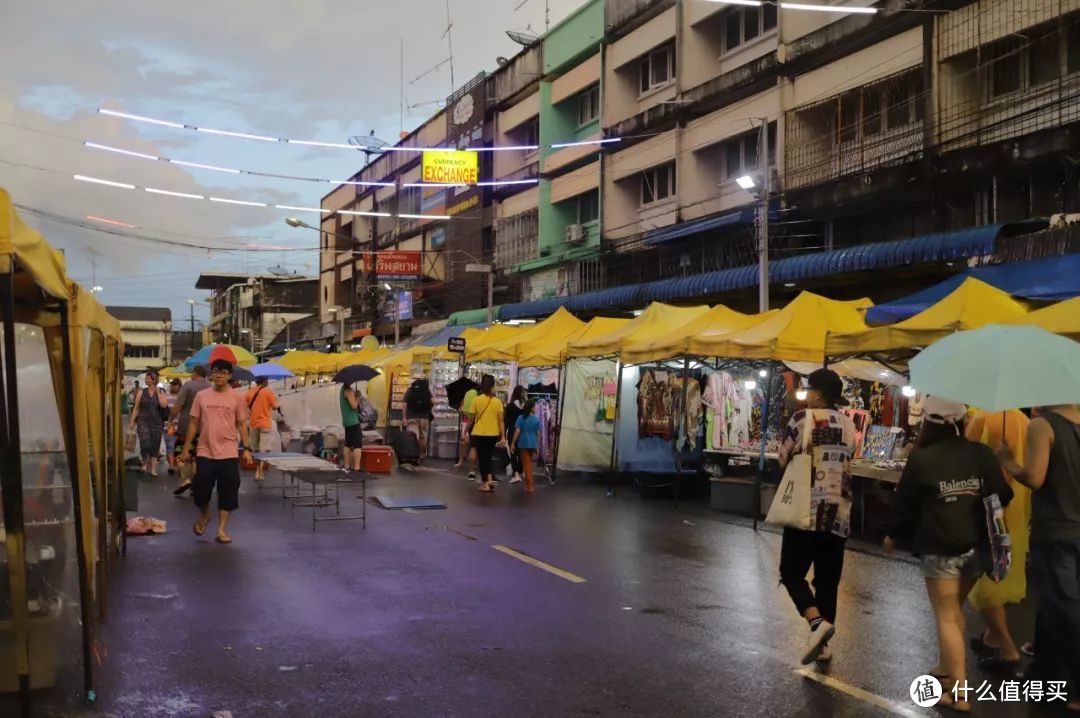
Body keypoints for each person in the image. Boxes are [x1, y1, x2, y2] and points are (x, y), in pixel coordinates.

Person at [884, 397, 1012, 712]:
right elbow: (1003, 495)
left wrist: (892, 536)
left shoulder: (922, 459)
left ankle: (960, 694)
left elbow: (904, 507)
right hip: (976, 549)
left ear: (928, 422)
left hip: (939, 548)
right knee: (953, 613)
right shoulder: (981, 454)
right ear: (963, 420)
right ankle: (945, 669)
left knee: (947, 618)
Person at [996, 404, 1080, 712]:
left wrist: (1008, 461)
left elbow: (1035, 477)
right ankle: (1044, 678)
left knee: (1065, 609)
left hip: (1056, 531)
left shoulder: (1043, 426)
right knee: (1052, 606)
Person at [776, 368, 857, 666]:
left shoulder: (801, 419)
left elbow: (782, 457)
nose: (806, 394)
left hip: (807, 510)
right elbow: (850, 455)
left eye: (809, 389)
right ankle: (822, 646)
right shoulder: (849, 425)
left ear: (819, 394)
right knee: (827, 581)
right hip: (839, 513)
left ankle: (815, 623)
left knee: (791, 572)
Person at [965, 409, 1032, 673]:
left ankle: (1007, 649)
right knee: (1002, 571)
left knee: (988, 580)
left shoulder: (982, 418)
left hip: (990, 508)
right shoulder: (1027, 423)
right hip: (1018, 508)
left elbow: (965, 457)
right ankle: (991, 638)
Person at [178, 356, 252, 545]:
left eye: (222, 372)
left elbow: (242, 424)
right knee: (200, 489)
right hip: (205, 451)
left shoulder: (238, 397)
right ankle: (205, 516)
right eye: (215, 371)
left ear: (230, 376)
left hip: (228, 451)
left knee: (228, 491)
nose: (218, 375)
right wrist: (186, 450)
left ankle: (221, 530)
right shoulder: (202, 396)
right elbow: (194, 423)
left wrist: (247, 448)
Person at [170, 366, 211, 496]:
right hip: (205, 426)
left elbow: (178, 406)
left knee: (179, 453)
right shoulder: (211, 387)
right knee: (195, 455)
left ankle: (185, 480)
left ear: (195, 373)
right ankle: (195, 482)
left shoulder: (188, 386)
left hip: (186, 424)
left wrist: (170, 419)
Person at [129, 370, 168, 476]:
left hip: (157, 421)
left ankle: (153, 468)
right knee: (145, 442)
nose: (146, 380)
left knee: (155, 444)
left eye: (148, 378)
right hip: (143, 421)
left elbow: (164, 405)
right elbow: (136, 408)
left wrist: (159, 394)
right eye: (145, 378)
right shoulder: (141, 392)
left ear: (154, 380)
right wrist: (132, 421)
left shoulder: (160, 391)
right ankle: (146, 461)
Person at [470, 375, 505, 493]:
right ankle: (489, 481)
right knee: (488, 457)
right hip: (493, 434)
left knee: (483, 460)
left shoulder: (477, 399)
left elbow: (471, 418)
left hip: (479, 433)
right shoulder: (497, 401)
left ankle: (485, 484)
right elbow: (501, 420)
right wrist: (503, 436)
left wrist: (465, 431)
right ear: (492, 386)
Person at [245, 376, 280, 482]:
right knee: (263, 449)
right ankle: (259, 471)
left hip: (253, 423)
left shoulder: (249, 392)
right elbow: (275, 406)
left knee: (255, 449)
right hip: (265, 423)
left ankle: (258, 470)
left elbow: (244, 407)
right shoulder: (268, 392)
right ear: (265, 382)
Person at [510, 399, 541, 493]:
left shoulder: (520, 418)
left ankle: (530, 485)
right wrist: (538, 446)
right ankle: (528, 485)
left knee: (526, 466)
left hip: (523, 444)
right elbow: (538, 434)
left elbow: (517, 431)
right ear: (532, 408)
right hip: (533, 444)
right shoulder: (536, 418)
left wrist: (512, 443)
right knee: (529, 464)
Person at [403, 378, 434, 460]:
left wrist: (404, 417)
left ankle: (412, 454)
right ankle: (421, 455)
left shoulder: (410, 391)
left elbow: (404, 404)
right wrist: (428, 409)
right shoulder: (427, 391)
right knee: (422, 437)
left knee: (412, 437)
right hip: (424, 417)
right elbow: (433, 402)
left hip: (412, 417)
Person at [455, 384, 480, 479]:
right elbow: (462, 407)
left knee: (469, 443)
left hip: (469, 421)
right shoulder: (468, 396)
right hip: (467, 421)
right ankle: (462, 461)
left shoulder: (472, 396)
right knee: (467, 443)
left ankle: (468, 462)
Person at [504, 386, 527, 485]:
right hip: (523, 431)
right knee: (521, 452)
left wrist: (503, 434)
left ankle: (516, 474)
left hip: (512, 431)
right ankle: (521, 471)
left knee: (513, 452)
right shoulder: (526, 406)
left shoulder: (509, 406)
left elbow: (506, 421)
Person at [340, 383, 363, 471]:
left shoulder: (342, 389)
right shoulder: (348, 391)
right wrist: (357, 397)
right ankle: (356, 468)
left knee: (348, 444)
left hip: (347, 421)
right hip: (353, 421)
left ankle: (346, 466)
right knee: (357, 445)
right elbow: (354, 406)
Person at [164, 378, 183, 475]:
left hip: (181, 426)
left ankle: (177, 465)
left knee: (179, 447)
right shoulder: (166, 396)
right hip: (170, 425)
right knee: (170, 445)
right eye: (172, 384)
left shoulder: (183, 397)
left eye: (175, 384)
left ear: (179, 386)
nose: (173, 386)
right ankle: (171, 466)